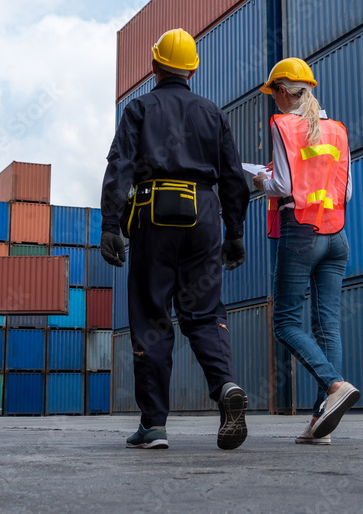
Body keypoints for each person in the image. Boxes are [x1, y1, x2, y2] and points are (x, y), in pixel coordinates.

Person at [99, 28, 251, 450]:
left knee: (152, 316)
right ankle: (224, 388)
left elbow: (120, 168)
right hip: (205, 216)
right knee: (204, 312)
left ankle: (154, 425)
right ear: (192, 71)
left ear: (154, 65)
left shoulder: (139, 108)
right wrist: (235, 233)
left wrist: (111, 225)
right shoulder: (212, 113)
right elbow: (234, 178)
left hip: (154, 213)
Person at [253, 57, 359, 445]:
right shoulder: (337, 130)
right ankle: (320, 423)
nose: (273, 101)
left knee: (285, 322)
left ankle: (334, 385)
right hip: (337, 236)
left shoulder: (283, 125)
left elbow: (282, 185)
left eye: (273, 93)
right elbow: (345, 192)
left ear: (283, 91)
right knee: (327, 325)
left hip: (300, 234)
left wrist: (261, 178)